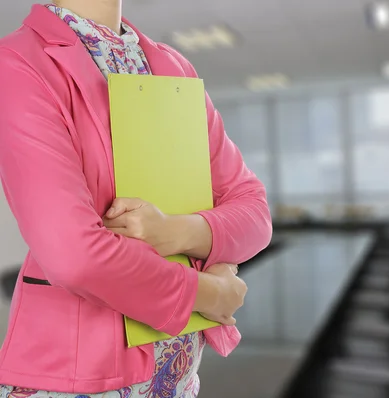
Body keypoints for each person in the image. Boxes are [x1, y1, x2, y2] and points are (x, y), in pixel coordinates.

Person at [0, 0, 272, 397]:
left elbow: (255, 213)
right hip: (81, 382)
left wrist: (175, 232)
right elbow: (75, 257)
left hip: (178, 377)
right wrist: (209, 293)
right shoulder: (18, 64)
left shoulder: (173, 67)